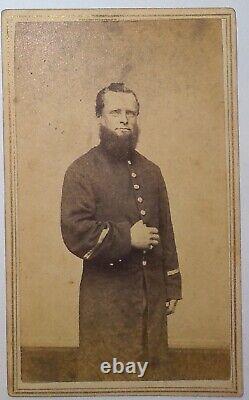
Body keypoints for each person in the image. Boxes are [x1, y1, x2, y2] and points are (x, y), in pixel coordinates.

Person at [61, 82, 182, 380]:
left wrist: (172, 284)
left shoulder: (151, 171)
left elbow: (165, 231)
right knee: (108, 379)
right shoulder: (82, 170)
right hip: (106, 303)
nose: (124, 119)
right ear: (100, 118)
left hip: (152, 300)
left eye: (131, 113)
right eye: (115, 112)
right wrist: (128, 236)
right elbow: (76, 231)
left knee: (154, 378)